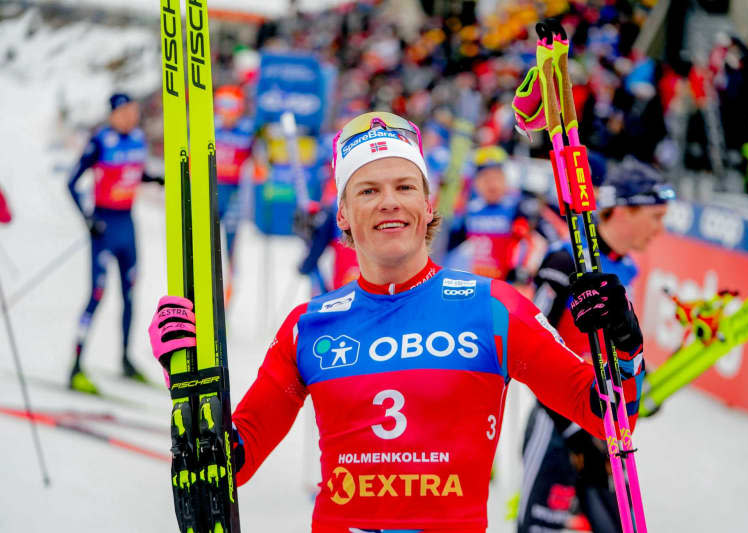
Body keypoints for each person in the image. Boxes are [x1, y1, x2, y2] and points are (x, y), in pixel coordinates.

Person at [149, 112, 646, 532]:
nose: (389, 201)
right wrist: (187, 382)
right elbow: (229, 466)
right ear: (342, 213)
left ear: (427, 204)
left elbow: (610, 414)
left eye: (405, 186)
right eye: (367, 190)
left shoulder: (492, 307)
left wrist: (623, 339)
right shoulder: (309, 327)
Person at [516, 156, 675, 533]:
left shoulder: (626, 267)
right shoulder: (564, 260)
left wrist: (638, 382)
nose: (660, 230)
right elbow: (529, 351)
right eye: (656, 216)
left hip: (605, 431)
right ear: (623, 210)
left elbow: (610, 346)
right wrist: (574, 436)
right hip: (558, 425)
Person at [67, 92, 162, 393]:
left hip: (127, 225)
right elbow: (71, 182)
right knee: (97, 294)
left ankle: (125, 359)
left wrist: (155, 179)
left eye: (133, 111)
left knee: (130, 295)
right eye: (125, 112)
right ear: (113, 114)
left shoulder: (137, 138)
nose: (131, 117)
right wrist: (87, 218)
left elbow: (136, 173)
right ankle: (76, 365)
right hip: (104, 226)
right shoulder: (100, 142)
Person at [446, 145, 552, 282]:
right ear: (477, 183)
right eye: (485, 179)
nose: (492, 184)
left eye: (496, 177)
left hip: (511, 285)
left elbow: (543, 243)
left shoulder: (520, 205)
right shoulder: (469, 211)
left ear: (505, 178)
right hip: (479, 284)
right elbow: (448, 250)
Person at [213, 85, 258, 301]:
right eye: (222, 106)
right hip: (211, 191)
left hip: (234, 195)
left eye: (231, 106)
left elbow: (260, 162)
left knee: (229, 248)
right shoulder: (210, 126)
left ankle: (227, 295)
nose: (226, 112)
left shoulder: (247, 129)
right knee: (207, 245)